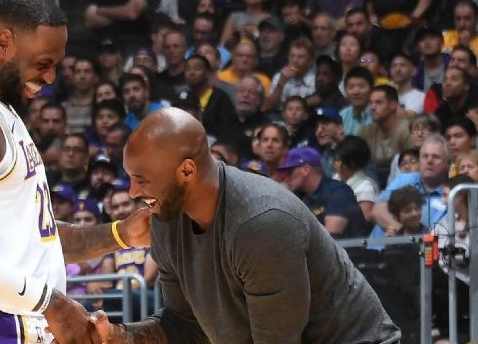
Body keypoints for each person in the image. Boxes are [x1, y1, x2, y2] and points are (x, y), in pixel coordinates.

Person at [0, 0, 150, 344]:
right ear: (4, 42)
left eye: (55, 65)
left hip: (16, 322)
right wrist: (50, 302)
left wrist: (121, 234)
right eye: (42, 63)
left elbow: (37, 242)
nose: (50, 77)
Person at [90, 107, 401, 343]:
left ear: (186, 171)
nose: (132, 192)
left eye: (141, 180)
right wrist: (118, 337)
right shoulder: (166, 219)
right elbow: (184, 325)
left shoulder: (262, 223)